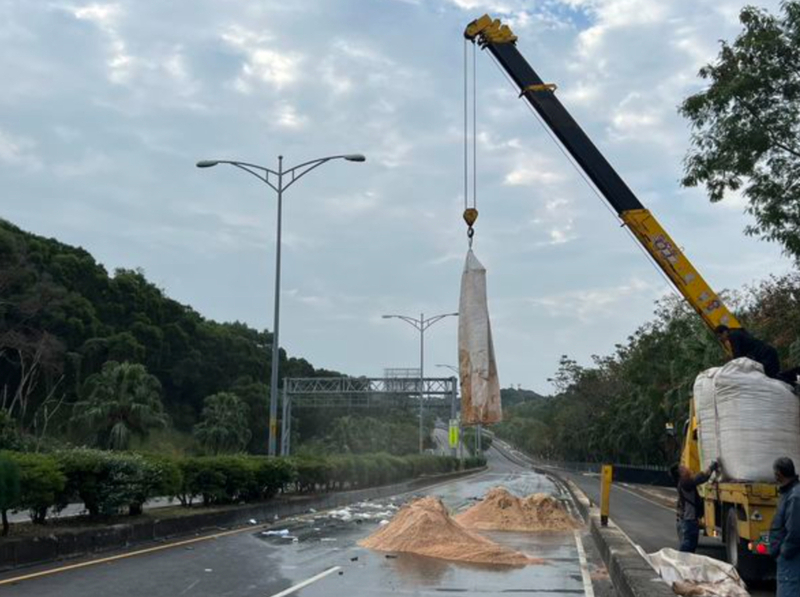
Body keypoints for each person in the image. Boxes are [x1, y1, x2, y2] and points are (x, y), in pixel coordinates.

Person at [671, 460, 719, 553]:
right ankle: (680, 564)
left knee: (690, 547)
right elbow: (700, 478)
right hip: (688, 522)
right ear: (681, 473)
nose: (686, 468)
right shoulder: (685, 483)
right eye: (683, 468)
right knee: (687, 547)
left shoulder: (683, 483)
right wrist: (711, 467)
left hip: (689, 521)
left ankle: (683, 564)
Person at [769, 457, 800, 597]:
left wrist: (784, 551)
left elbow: (795, 531)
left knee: (788, 592)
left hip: (791, 558)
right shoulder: (790, 493)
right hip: (788, 557)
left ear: (779, 474)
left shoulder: (794, 496)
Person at [714, 325, 781, 379]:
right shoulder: (738, 332)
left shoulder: (733, 336)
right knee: (775, 377)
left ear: (725, 332)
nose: (720, 339)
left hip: (765, 355)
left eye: (720, 336)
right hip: (768, 353)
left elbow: (737, 355)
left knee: (772, 378)